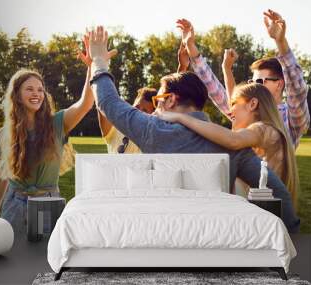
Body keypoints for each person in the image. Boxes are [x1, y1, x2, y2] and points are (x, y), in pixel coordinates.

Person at [85, 26, 299, 233]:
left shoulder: (155, 130)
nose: (156, 106)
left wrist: (98, 61)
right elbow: (278, 193)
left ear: (170, 100)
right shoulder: (232, 144)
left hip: (162, 233)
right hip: (220, 237)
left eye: (159, 99)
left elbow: (108, 102)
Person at [178, 10, 310, 149]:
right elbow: (216, 91)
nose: (253, 87)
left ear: (279, 84)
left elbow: (296, 87)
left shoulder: (291, 117)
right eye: (252, 82)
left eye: (260, 81)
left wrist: (280, 41)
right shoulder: (247, 110)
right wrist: (191, 47)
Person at [155, 83, 299, 209]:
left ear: (253, 104)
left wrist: (180, 117)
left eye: (234, 103)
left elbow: (232, 140)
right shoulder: (268, 132)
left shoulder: (265, 129)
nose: (230, 111)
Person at [0, 68, 94, 232]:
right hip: (13, 205)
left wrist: (92, 65)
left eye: (40, 90)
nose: (36, 93)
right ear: (17, 95)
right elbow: (1, 177)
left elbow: (85, 103)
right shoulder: (4, 134)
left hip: (47, 203)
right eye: (29, 89)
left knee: (45, 255)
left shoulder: (57, 123)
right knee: (13, 253)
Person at [98, 87, 157, 153]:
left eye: (144, 111)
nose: (138, 112)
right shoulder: (115, 128)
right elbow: (102, 101)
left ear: (152, 115)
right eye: (137, 107)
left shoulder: (154, 140)